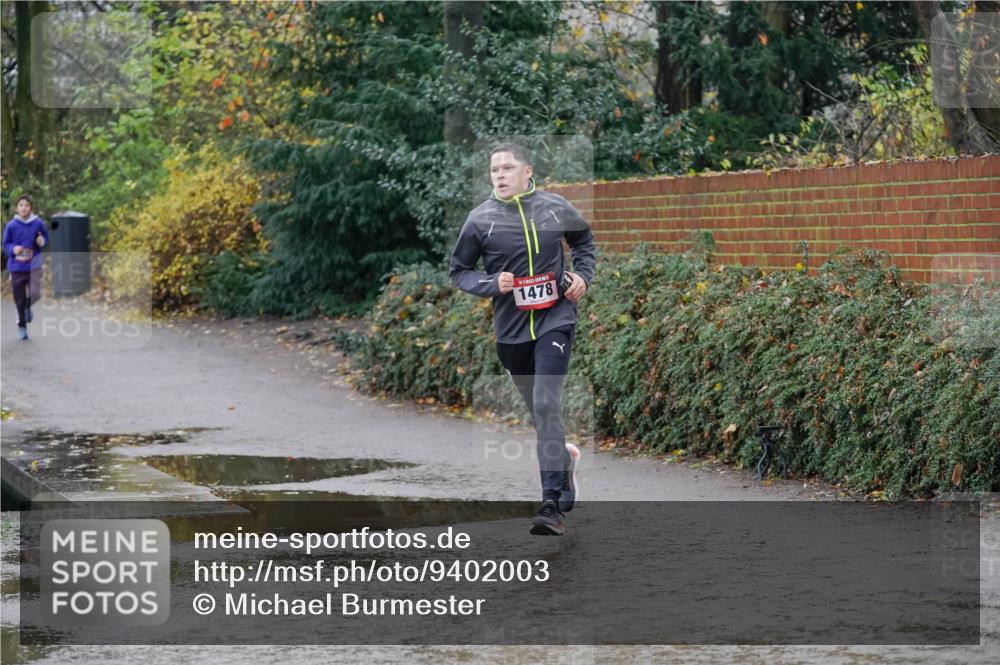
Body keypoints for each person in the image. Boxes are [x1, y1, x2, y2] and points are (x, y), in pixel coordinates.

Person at [449, 143, 596, 535]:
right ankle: (564, 463)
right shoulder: (480, 219)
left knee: (546, 404)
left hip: (555, 319)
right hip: (511, 332)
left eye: (507, 168)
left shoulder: (555, 207)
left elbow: (583, 242)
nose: (500, 175)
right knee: (539, 414)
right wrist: (490, 284)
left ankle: (550, 506)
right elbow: (459, 270)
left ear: (527, 171)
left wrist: (583, 277)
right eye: (494, 169)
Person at [2, 195, 49, 340]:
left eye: (27, 205)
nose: (24, 208)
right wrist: (13, 249)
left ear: (31, 208)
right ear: (17, 209)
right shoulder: (11, 225)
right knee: (19, 299)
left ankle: (28, 307)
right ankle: (22, 326)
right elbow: (5, 243)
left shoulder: (38, 223)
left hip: (34, 265)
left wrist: (41, 241)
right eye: (21, 205)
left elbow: (45, 238)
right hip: (16, 267)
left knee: (35, 293)